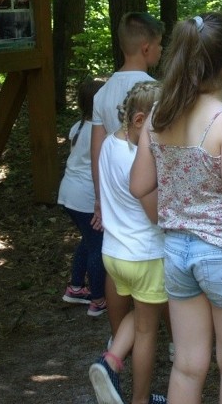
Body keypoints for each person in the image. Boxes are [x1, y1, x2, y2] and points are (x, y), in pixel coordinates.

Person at [130, 12, 222, 404]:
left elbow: (140, 185)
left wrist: (174, 217)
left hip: (177, 253)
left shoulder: (160, 113)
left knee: (188, 366)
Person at [89, 82, 167, 404]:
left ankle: (109, 363)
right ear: (139, 121)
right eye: (159, 126)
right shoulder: (140, 160)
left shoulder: (109, 143)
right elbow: (155, 215)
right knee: (148, 329)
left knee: (136, 316)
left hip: (114, 252)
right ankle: (141, 400)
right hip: (145, 254)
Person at [91, 11, 164, 323]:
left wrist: (100, 200)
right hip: (146, 196)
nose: (162, 51)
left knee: (117, 271)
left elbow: (97, 149)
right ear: (146, 47)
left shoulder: (102, 91)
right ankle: (173, 339)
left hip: (114, 198)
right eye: (160, 45)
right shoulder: (155, 90)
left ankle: (117, 331)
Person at [57, 77, 107, 313]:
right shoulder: (99, 132)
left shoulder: (77, 127)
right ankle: (98, 300)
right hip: (85, 196)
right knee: (98, 244)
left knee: (87, 239)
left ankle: (76, 287)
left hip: (68, 192)